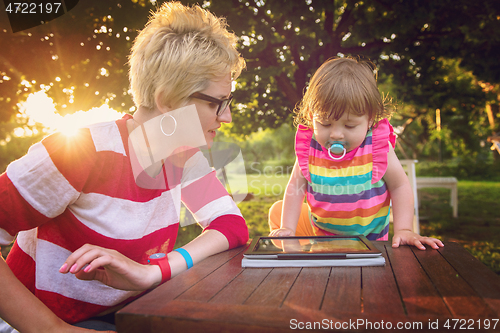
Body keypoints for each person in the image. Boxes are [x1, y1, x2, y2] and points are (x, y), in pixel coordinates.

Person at [0, 2, 248, 332]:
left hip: (128, 316)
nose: (227, 117)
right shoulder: (80, 151)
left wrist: (153, 271)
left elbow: (231, 225)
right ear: (169, 99)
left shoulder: (183, 158)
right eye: (218, 103)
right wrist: (50, 328)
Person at [268, 57, 443, 250]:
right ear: (311, 116)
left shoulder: (377, 147)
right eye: (324, 124)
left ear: (370, 120)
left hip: (371, 244)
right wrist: (287, 227)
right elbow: (295, 188)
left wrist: (404, 229)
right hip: (324, 242)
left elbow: (400, 185)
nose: (335, 134)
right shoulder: (311, 149)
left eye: (350, 125)